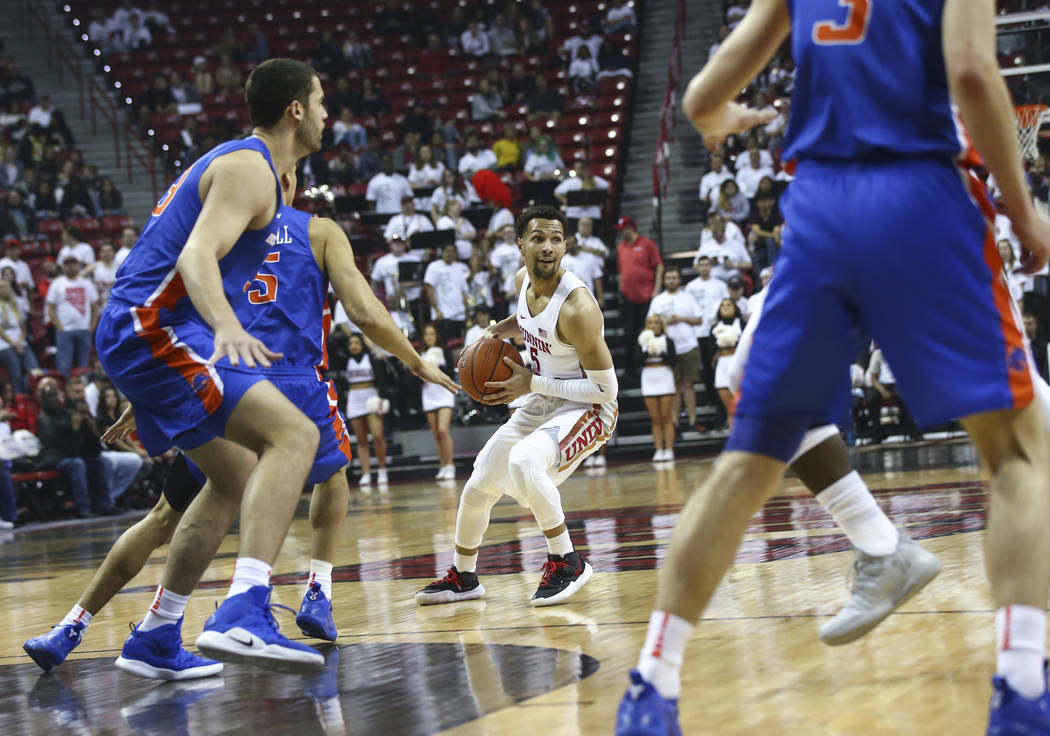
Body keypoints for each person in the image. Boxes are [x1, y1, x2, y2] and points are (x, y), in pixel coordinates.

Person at [615, 1, 1050, 733]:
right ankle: (1021, 691)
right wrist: (1024, 206)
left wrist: (724, 121)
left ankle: (651, 687)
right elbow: (972, 72)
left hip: (818, 210)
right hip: (922, 196)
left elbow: (699, 100)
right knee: (1016, 454)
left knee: (748, 462)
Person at [25, 157, 457, 679]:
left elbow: (185, 318)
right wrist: (415, 361)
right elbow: (364, 311)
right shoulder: (319, 231)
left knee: (165, 517)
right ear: (291, 183)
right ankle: (304, 593)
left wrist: (142, 401)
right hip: (294, 381)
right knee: (333, 469)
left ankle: (77, 625)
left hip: (222, 381)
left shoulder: (223, 236)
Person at [416, 205, 617, 607]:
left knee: (525, 463)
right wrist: (489, 335)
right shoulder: (523, 280)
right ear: (520, 243)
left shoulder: (578, 308)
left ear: (565, 246)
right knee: (478, 484)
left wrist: (531, 382)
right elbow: (526, 320)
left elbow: (606, 390)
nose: (548, 248)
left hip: (590, 409)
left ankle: (567, 561)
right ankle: (464, 576)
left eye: (556, 240)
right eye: (539, 239)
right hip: (544, 399)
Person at [647, 267, 704, 431]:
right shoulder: (658, 300)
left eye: (674, 277)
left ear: (679, 280)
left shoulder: (688, 298)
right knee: (674, 386)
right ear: (664, 280)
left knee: (688, 385)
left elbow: (699, 320)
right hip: (668, 348)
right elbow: (650, 324)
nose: (672, 280)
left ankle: (693, 420)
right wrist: (665, 321)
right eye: (669, 278)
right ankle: (675, 422)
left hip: (689, 345)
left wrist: (681, 318)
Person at [615, 216, 662, 375]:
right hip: (629, 297)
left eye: (623, 229)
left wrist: (657, 289)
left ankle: (652, 363)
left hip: (647, 297)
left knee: (649, 331)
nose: (621, 233)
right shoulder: (621, 247)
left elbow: (659, 266)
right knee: (630, 333)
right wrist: (621, 288)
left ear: (631, 228)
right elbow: (622, 270)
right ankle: (631, 368)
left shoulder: (647, 244)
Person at [343, 333, 389, 489]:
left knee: (377, 436)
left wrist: (382, 398)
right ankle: (366, 473)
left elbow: (382, 378)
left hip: (371, 397)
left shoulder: (371, 358)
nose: (353, 346)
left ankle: (382, 470)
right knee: (361, 440)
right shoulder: (344, 360)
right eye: (351, 343)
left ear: (362, 344)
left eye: (357, 342)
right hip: (354, 399)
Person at [47, 255, 98, 378]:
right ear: (63, 267)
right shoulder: (57, 284)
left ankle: (84, 388)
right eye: (68, 264)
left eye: (74, 264)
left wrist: (92, 326)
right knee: (64, 364)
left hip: (84, 329)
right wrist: (59, 327)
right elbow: (50, 309)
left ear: (78, 266)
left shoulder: (87, 284)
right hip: (65, 330)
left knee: (84, 364)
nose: (71, 267)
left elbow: (94, 307)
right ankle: (65, 390)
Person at [419, 323, 457, 480]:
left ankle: (450, 464)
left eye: (432, 334)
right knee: (436, 434)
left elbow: (450, 372)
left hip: (444, 393)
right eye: (427, 334)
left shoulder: (444, 351)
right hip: (428, 393)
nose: (429, 337)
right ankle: (442, 465)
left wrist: (435, 364)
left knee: (443, 430)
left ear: (437, 336)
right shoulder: (420, 354)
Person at [636, 314, 676, 462]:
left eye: (656, 322)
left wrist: (661, 352)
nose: (653, 325)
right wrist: (647, 350)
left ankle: (669, 449)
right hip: (649, 378)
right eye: (651, 322)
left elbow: (673, 360)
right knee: (655, 418)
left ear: (661, 325)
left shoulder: (668, 340)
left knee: (667, 417)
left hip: (665, 375)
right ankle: (659, 450)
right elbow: (636, 361)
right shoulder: (642, 341)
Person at [424, 242, 470, 343]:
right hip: (444, 314)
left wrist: (466, 311)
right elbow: (429, 288)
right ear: (442, 252)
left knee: (460, 346)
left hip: (459, 314)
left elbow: (463, 291)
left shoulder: (459, 267)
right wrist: (436, 309)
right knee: (447, 345)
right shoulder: (434, 267)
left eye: (453, 251)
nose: (450, 254)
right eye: (447, 251)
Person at [0, 279, 37, 393]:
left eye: (6, 286)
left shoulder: (17, 303)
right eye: (1, 287)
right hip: (5, 344)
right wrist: (14, 344)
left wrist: (20, 340)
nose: (4, 289)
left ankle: (33, 394)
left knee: (34, 370)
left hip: (21, 342)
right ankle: (19, 397)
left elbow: (24, 325)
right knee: (16, 373)